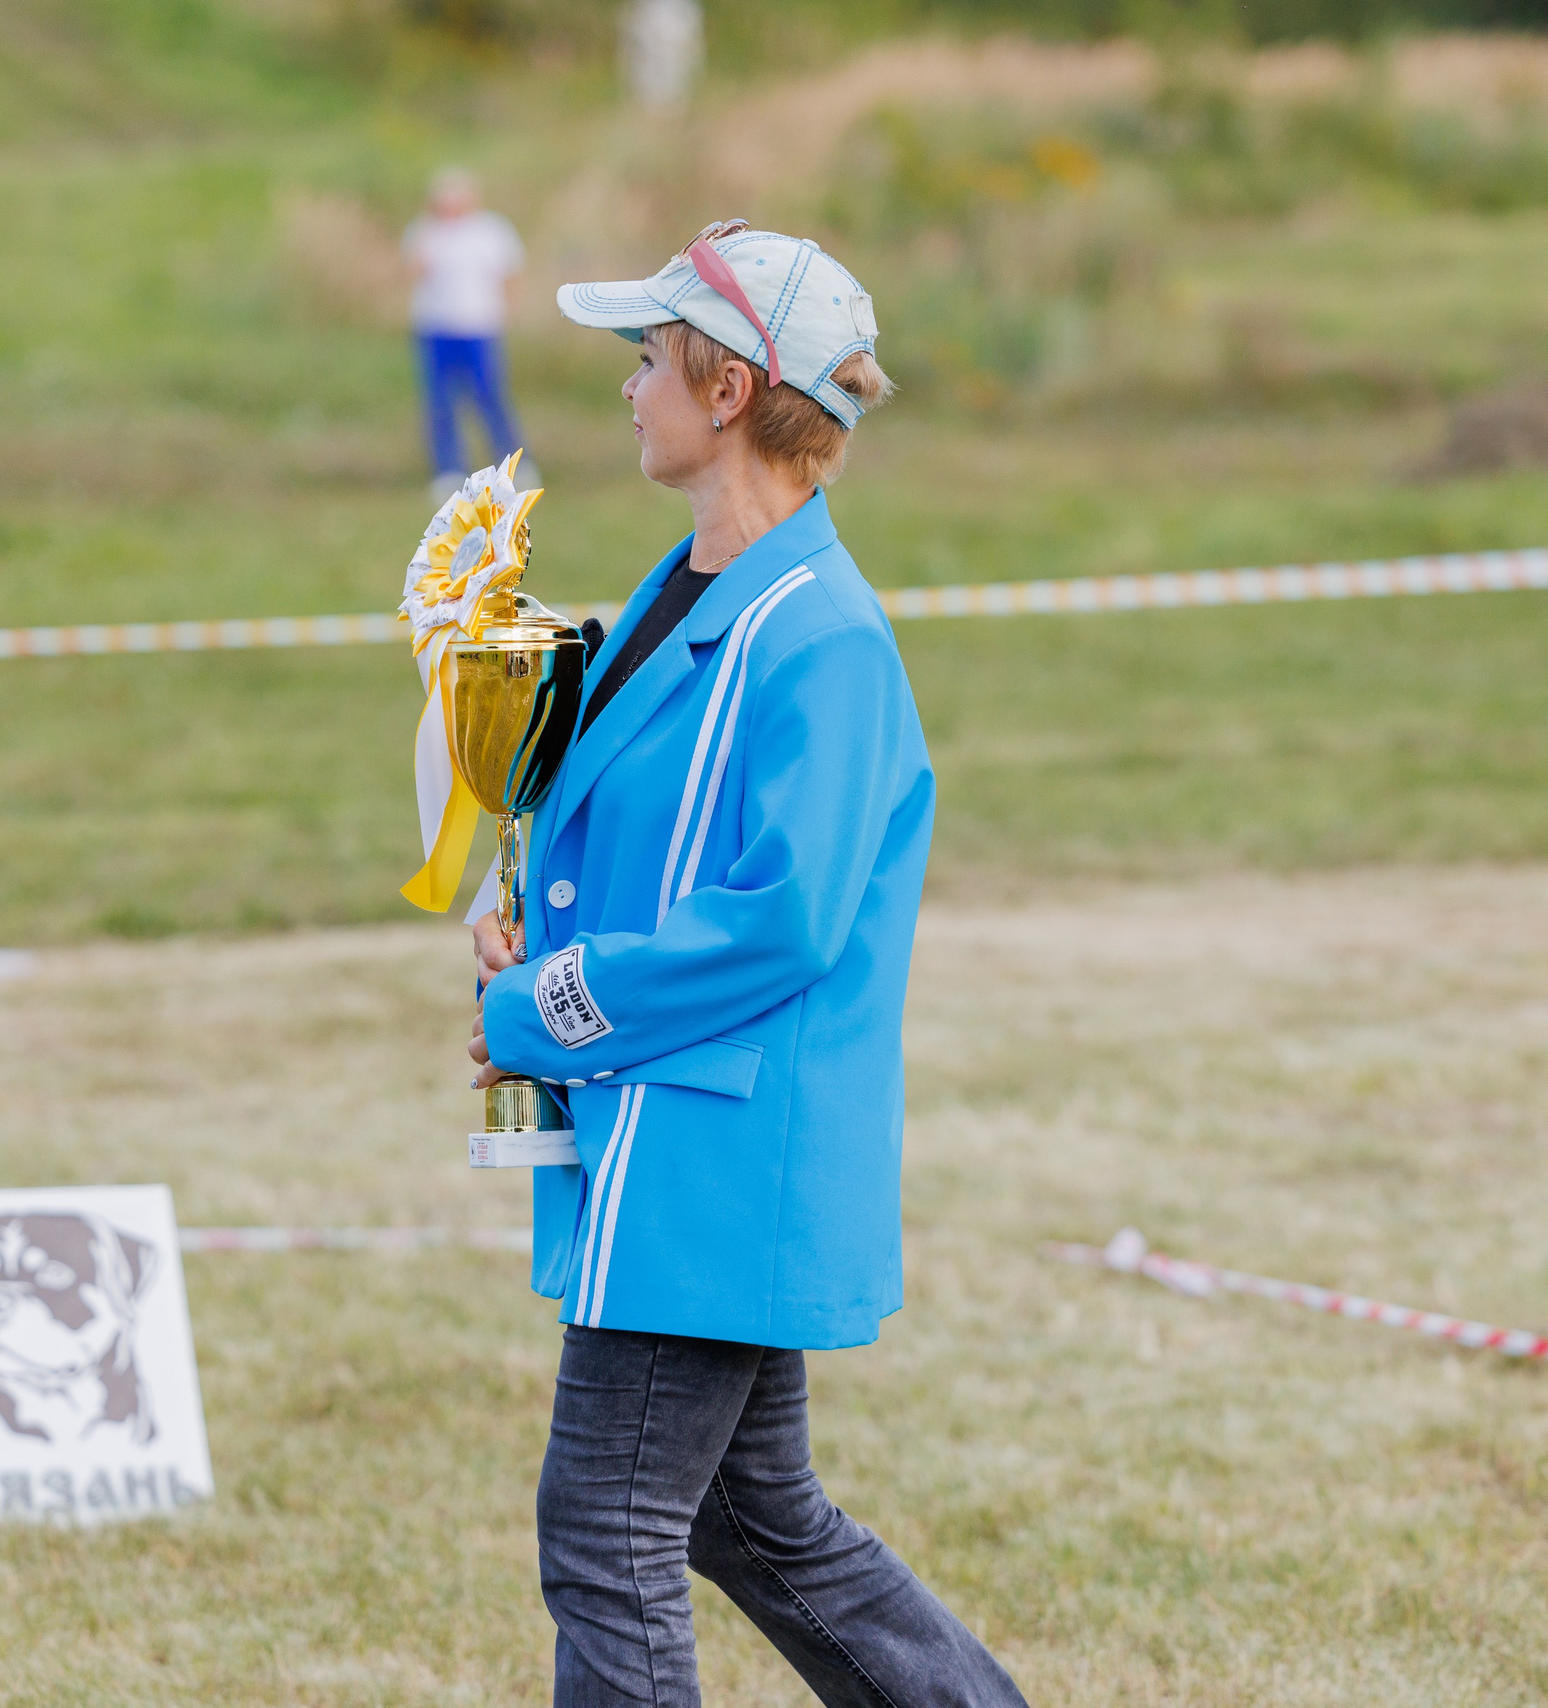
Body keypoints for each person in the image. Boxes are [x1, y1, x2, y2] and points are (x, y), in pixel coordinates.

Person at [468, 221, 1029, 1707]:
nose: (630, 387)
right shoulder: (684, 593)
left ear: (727, 391)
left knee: (609, 1529)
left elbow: (782, 921)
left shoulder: (821, 637)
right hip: (674, 1138)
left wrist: (546, 1010)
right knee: (747, 1515)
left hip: (718, 1147)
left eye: (650, 357)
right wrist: (529, 912)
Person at [403, 167, 531, 500]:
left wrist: (508, 311)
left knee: (490, 396)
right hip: (436, 328)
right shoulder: (425, 231)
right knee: (441, 402)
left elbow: (510, 273)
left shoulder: (491, 230)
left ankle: (515, 464)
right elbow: (413, 270)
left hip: (480, 327)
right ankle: (449, 469)